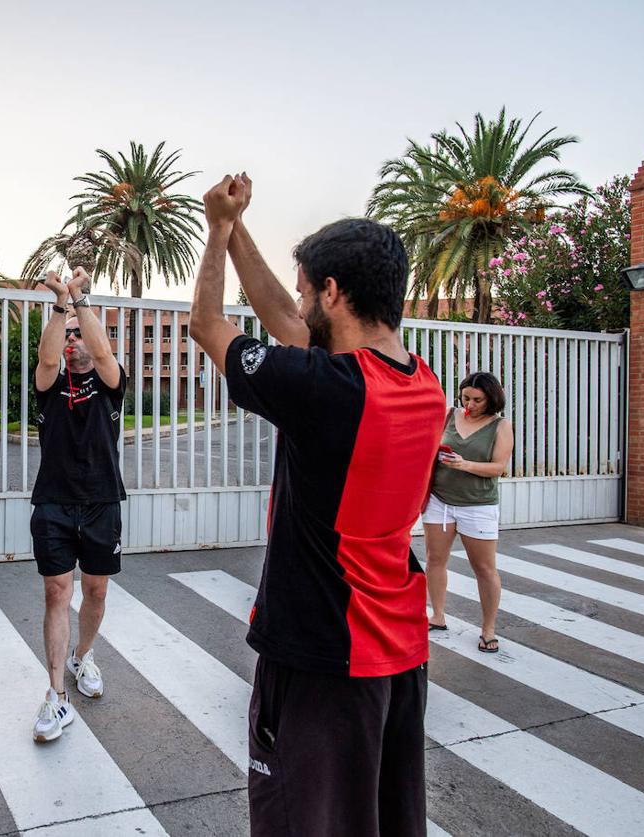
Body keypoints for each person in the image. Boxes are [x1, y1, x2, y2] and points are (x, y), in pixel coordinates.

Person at [188, 173, 447, 837]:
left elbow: (207, 326)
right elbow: (289, 323)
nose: (298, 303)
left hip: (319, 655)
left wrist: (215, 232)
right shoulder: (422, 387)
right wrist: (239, 226)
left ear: (333, 292)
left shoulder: (326, 390)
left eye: (308, 289)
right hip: (396, 654)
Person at [29, 267, 127, 743]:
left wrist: (81, 298)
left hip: (102, 501)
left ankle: (81, 656)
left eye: (78, 333)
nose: (73, 339)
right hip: (54, 501)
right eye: (68, 333)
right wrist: (59, 305)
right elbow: (46, 362)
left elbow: (104, 351)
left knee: (97, 592)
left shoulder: (112, 381)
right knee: (56, 593)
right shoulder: (49, 387)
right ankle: (55, 695)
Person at [422, 371, 513, 653]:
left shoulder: (500, 426)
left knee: (484, 569)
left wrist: (463, 464)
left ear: (492, 399)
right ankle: (437, 616)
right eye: (465, 398)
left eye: (477, 400)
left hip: (478, 505)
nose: (469, 405)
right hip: (440, 500)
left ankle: (488, 629)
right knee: (435, 560)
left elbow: (499, 468)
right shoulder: (449, 415)